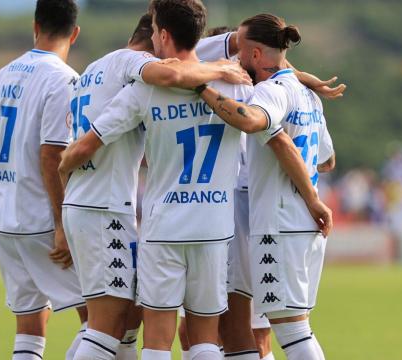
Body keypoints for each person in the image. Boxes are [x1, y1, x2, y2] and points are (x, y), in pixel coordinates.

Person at [58, 1, 260, 358]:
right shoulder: (236, 86)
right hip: (213, 227)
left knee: (154, 338)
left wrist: (63, 167)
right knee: (205, 338)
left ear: (162, 35)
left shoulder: (140, 88)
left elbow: (86, 144)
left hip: (161, 226)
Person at [196, 13, 335, 360]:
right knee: (287, 327)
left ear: (256, 55)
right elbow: (326, 160)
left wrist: (202, 88)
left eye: (239, 50)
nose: (236, 59)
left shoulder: (269, 92)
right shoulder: (308, 95)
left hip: (280, 222)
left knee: (291, 331)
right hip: (300, 224)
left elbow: (253, 121)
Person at [0, 1, 87, 359]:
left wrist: (19, 162)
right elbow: (51, 155)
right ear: (75, 33)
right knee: (103, 319)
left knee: (30, 325)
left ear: (35, 25)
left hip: (5, 220)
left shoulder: (3, 74)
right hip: (40, 219)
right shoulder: (64, 79)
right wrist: (61, 223)